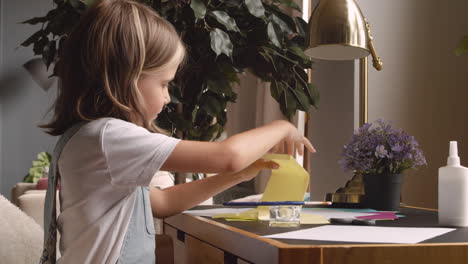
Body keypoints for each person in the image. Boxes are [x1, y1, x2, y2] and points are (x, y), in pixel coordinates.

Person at [38, 0, 315, 263]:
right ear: (129, 77)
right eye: (164, 84)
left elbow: (162, 202)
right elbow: (227, 155)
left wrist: (242, 174)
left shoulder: (94, 139)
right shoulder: (108, 137)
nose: (169, 97)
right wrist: (282, 126)